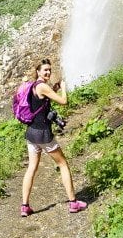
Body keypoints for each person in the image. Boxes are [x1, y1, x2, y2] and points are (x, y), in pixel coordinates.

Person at [21, 58, 87, 216]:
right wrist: (63, 88)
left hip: (31, 134)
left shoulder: (33, 85)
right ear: (38, 71)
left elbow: (42, 100)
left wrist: (54, 88)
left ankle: (24, 206)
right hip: (43, 134)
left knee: (31, 168)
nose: (48, 72)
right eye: (45, 70)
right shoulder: (42, 86)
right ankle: (73, 203)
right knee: (63, 164)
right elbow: (63, 101)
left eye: (49, 69)